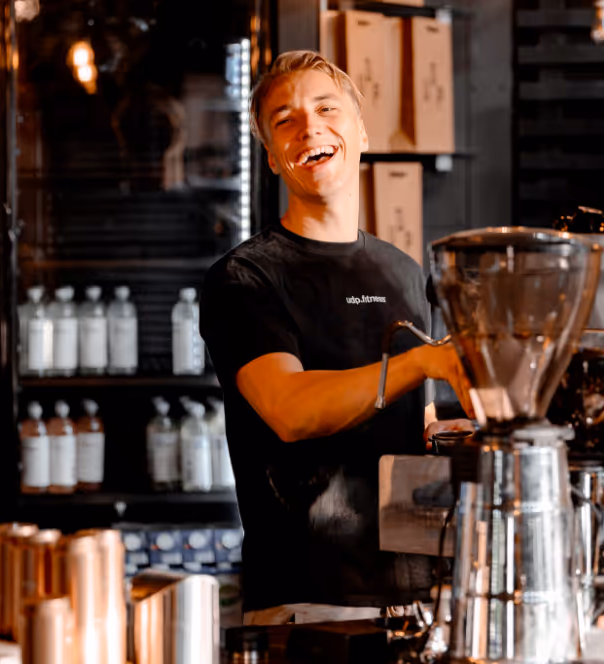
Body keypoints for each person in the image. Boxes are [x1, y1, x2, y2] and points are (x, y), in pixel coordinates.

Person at [199, 50, 473, 625]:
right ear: (272, 158)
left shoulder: (401, 271)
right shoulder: (246, 278)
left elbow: (405, 418)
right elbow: (290, 409)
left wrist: (455, 433)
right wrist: (424, 362)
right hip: (307, 603)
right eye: (285, 121)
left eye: (326, 108)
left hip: (414, 597)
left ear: (361, 130)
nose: (309, 127)